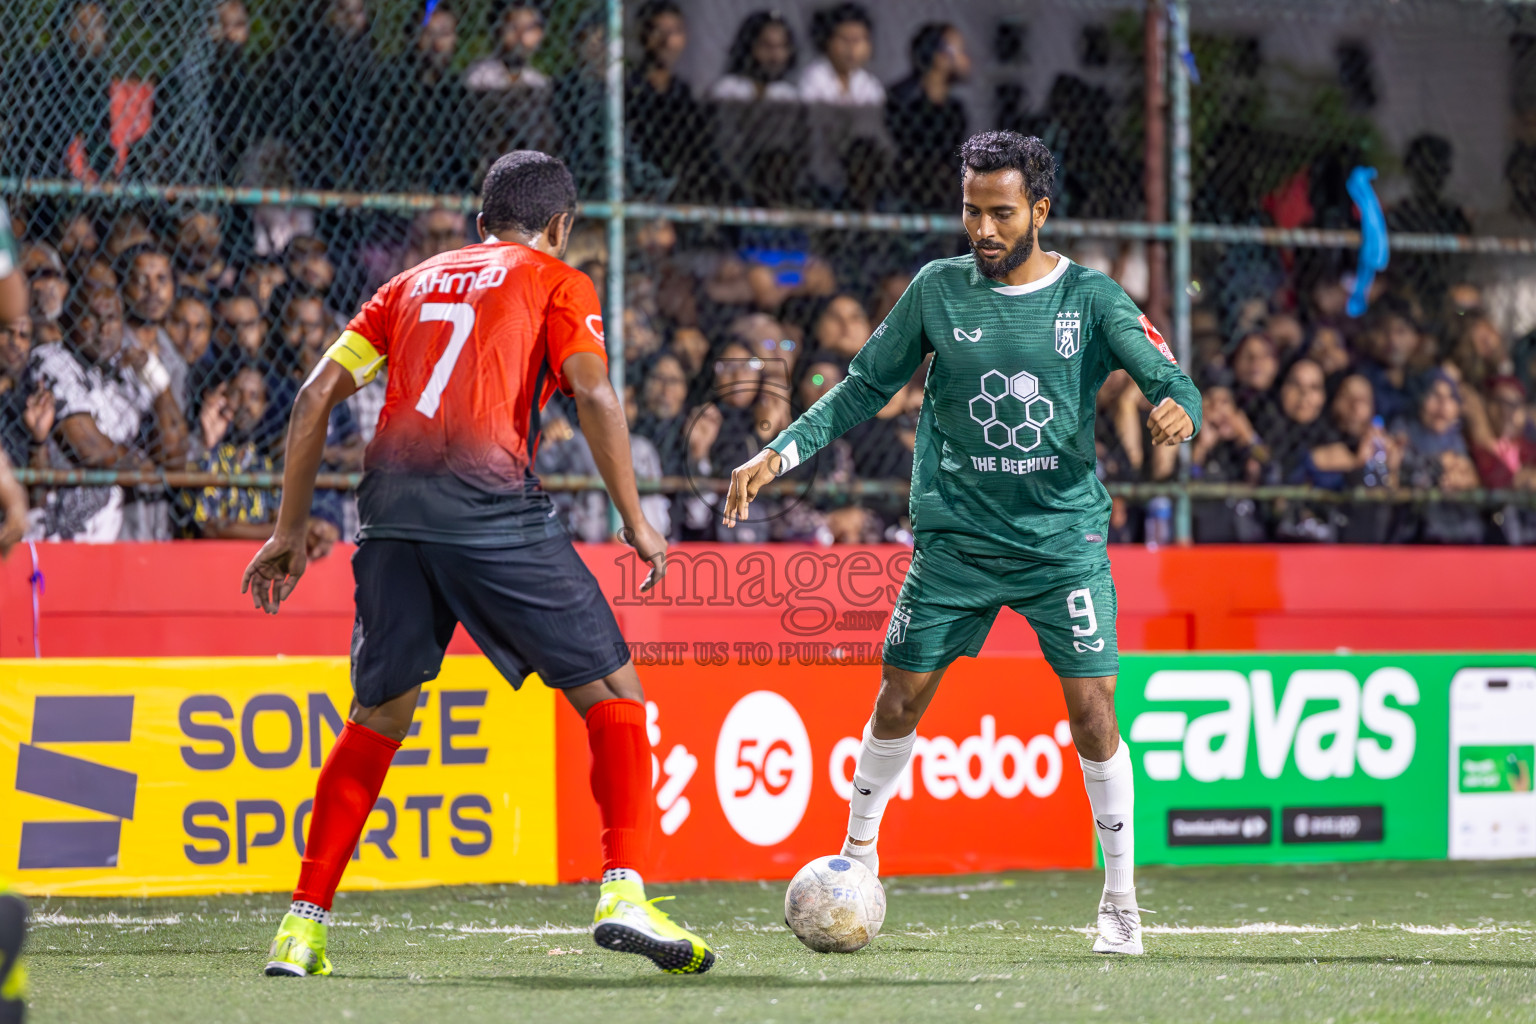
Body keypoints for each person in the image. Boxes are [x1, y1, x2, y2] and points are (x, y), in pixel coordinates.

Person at [723, 131, 1200, 956]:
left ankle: (1120, 902)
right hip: (955, 544)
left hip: (1061, 542)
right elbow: (863, 388)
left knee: (1092, 713)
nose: (982, 228)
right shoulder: (937, 290)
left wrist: (1177, 410)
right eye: (972, 210)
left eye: (1000, 213)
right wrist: (778, 454)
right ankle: (859, 859)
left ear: (1040, 212)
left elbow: (1172, 379)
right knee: (898, 698)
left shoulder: (1091, 299)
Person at [241, 151, 713, 978]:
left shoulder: (410, 283)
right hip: (489, 502)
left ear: (478, 216)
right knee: (615, 692)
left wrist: (288, 529)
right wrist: (637, 518)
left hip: (388, 514)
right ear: (562, 226)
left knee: (379, 716)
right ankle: (624, 889)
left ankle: (301, 927)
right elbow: (595, 392)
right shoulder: (557, 279)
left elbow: (315, 395)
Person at [886, 23, 972, 212]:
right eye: (958, 51)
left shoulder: (954, 110)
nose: (965, 58)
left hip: (943, 196)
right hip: (904, 192)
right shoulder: (901, 101)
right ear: (939, 57)